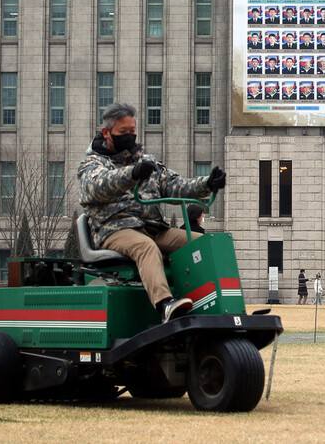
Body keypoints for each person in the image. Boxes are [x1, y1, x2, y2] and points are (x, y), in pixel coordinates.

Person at [78, 103, 226, 323]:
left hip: (153, 228)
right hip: (116, 230)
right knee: (146, 247)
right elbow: (97, 187)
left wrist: (207, 184)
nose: (129, 136)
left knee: (205, 243)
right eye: (122, 132)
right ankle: (165, 304)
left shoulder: (147, 162)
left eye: (132, 131)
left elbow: (176, 186)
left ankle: (217, 302)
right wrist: (131, 174)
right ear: (106, 133)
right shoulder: (93, 163)